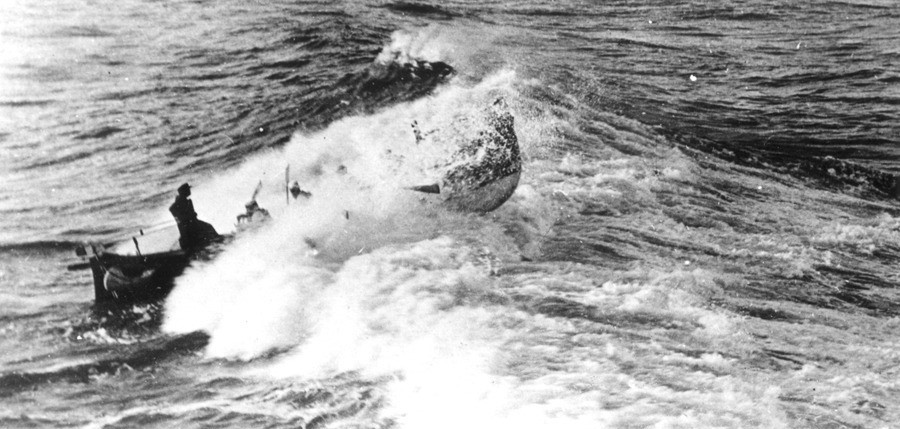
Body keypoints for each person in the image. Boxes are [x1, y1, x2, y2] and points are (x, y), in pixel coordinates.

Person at [169, 183, 220, 253]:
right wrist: (182, 218)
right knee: (208, 227)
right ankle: (217, 240)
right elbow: (172, 209)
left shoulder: (187, 200)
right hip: (189, 223)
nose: (189, 191)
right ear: (184, 191)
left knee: (208, 227)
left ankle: (216, 240)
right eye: (188, 190)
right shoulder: (180, 201)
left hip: (193, 222)